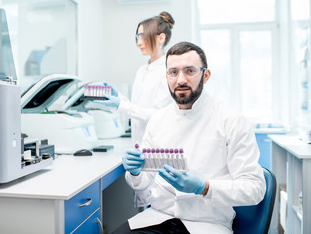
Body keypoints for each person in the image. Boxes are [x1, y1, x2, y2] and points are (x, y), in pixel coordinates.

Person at [113, 42, 266, 234]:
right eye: (173, 72)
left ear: (206, 75)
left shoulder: (231, 121)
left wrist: (205, 187)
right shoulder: (158, 120)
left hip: (207, 224)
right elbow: (145, 182)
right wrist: (135, 172)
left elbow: (255, 188)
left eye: (190, 71)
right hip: (159, 217)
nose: (181, 80)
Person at [94, 12, 175, 144]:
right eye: (137, 36)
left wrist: (121, 105)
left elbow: (156, 115)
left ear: (161, 38)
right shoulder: (142, 70)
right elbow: (136, 108)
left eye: (143, 36)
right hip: (138, 144)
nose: (139, 43)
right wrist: (119, 97)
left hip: (158, 145)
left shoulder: (168, 71)